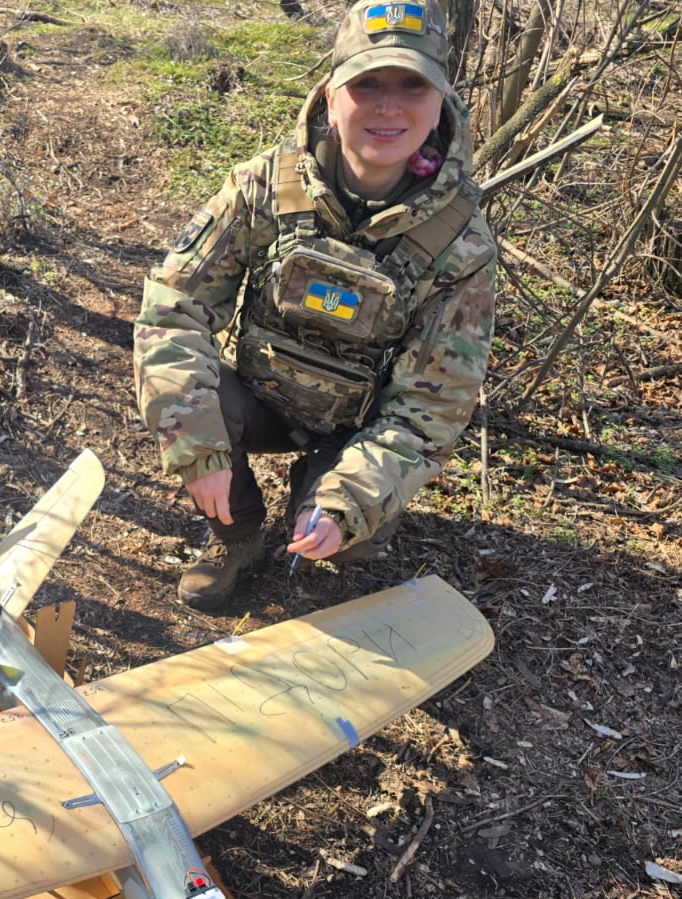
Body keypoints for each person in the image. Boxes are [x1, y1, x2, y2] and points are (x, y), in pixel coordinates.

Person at [134, 0, 496, 612]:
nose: (388, 107)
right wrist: (198, 444)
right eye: (367, 84)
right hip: (262, 399)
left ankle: (317, 491)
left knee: (358, 536)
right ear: (331, 95)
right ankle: (239, 533)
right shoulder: (264, 187)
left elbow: (431, 408)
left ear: (441, 101)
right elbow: (173, 309)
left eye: (412, 85)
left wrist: (348, 499)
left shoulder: (461, 243)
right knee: (186, 406)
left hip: (359, 427)